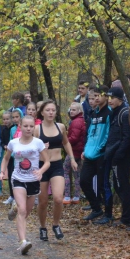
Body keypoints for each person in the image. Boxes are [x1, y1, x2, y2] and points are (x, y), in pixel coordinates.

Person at [0, 115, 50, 254]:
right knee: (22, 210)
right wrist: (2, 173)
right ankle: (23, 242)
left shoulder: (38, 143)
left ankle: (15, 207)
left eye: (31, 126)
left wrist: (41, 171)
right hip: (18, 179)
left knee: (26, 212)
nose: (28, 128)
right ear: (20, 126)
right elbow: (6, 158)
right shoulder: (13, 143)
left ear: (34, 127)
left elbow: (47, 161)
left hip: (33, 181)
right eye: (25, 126)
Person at [34, 100, 78, 240]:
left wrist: (72, 159)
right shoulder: (37, 129)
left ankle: (56, 224)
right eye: (48, 110)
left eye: (53, 110)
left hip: (57, 165)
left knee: (59, 198)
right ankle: (42, 227)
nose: (51, 112)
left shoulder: (61, 127)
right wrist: (41, 148)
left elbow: (66, 143)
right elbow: (31, 149)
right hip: (41, 166)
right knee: (43, 201)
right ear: (42, 112)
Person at [103, 87, 130, 227]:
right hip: (115, 155)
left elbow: (126, 137)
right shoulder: (115, 112)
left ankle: (127, 218)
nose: (110, 100)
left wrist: (118, 155)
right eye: (109, 97)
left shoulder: (123, 113)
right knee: (119, 186)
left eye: (113, 98)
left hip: (121, 157)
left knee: (122, 186)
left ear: (120, 99)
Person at [80, 85, 110, 220]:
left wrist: (100, 149)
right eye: (95, 96)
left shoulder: (109, 112)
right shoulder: (93, 112)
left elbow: (108, 134)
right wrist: (86, 149)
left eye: (99, 96)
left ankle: (108, 213)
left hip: (102, 154)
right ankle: (96, 208)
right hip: (89, 153)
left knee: (103, 185)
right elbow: (90, 134)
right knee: (84, 181)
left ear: (106, 96)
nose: (96, 98)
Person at [63, 102, 86, 205]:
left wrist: (64, 141)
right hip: (79, 151)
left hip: (74, 152)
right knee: (77, 174)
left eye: (74, 110)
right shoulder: (80, 120)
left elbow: (74, 138)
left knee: (65, 171)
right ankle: (76, 196)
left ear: (79, 111)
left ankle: (67, 196)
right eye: (71, 109)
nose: (71, 111)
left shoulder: (76, 122)